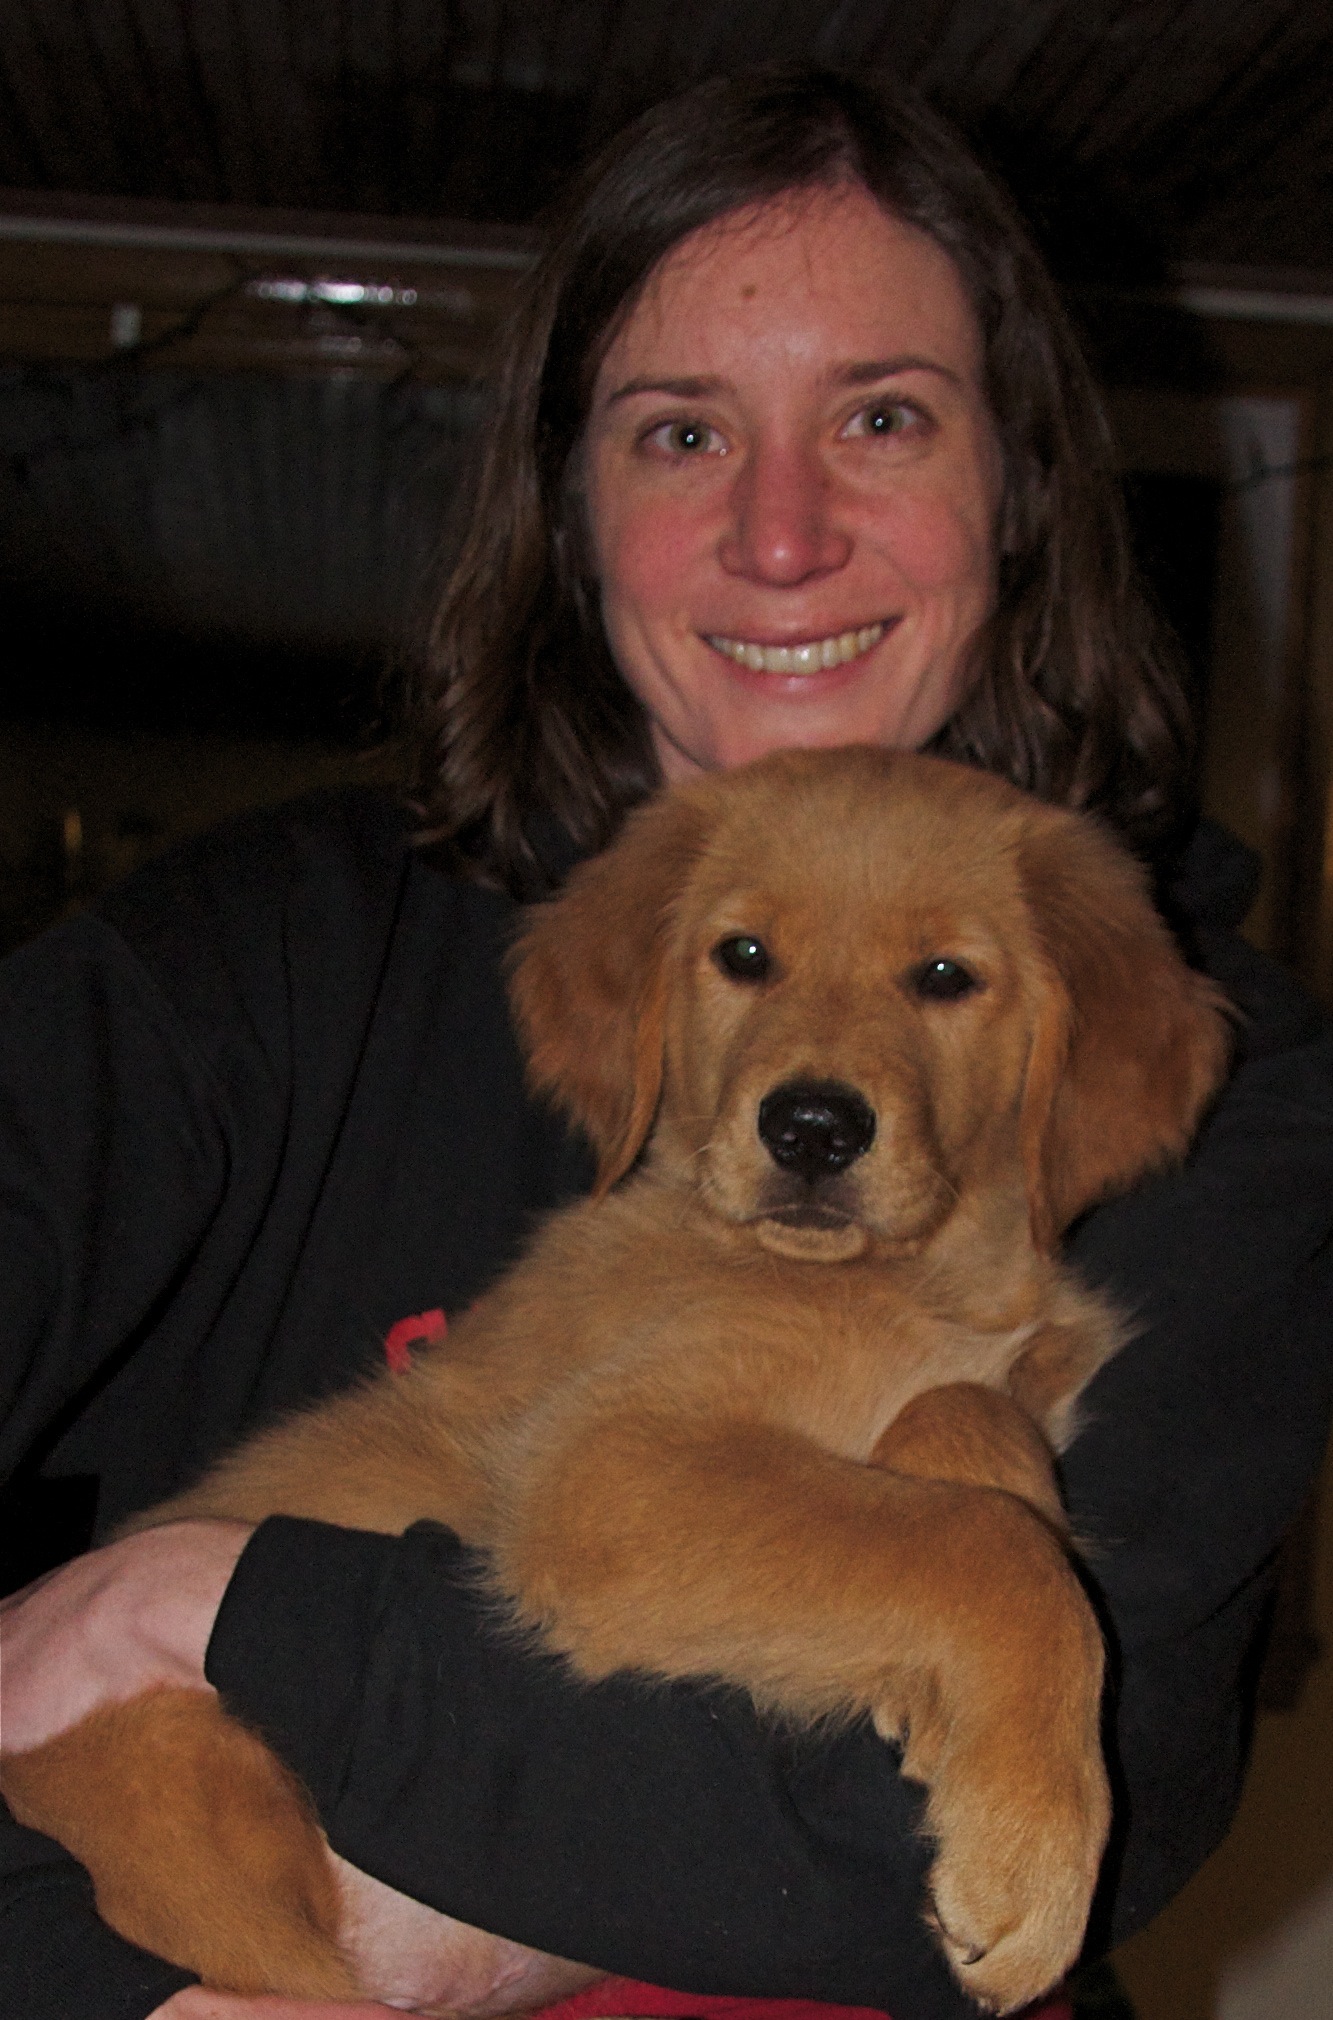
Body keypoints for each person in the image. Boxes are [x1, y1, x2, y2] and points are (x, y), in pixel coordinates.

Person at [3, 64, 1332, 2020]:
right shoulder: (248, 961)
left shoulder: (1209, 1050)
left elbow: (1002, 1839)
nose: (778, 534)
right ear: (571, 507)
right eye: (679, 429)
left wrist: (221, 1603)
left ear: (1020, 485)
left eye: (880, 415)